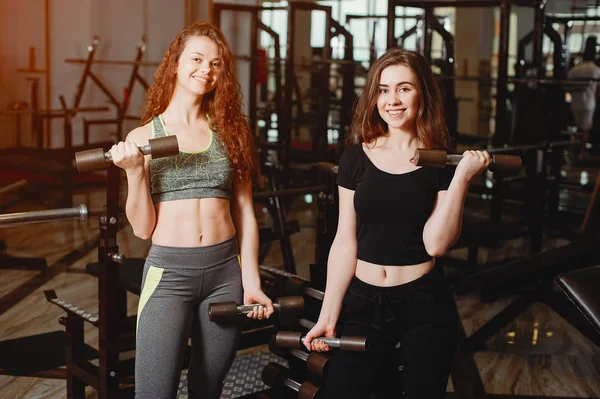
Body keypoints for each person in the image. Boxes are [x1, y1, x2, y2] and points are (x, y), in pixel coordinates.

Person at [303, 48, 490, 398]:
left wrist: (462, 177)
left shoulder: (441, 161)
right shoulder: (355, 158)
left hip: (423, 305)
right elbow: (345, 241)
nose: (392, 100)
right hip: (362, 301)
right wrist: (328, 316)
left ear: (423, 94)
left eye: (404, 88)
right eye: (383, 89)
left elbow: (435, 244)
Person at [108, 21, 274, 399]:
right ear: (176, 65)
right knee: (154, 392)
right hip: (169, 274)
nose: (206, 70)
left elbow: (246, 213)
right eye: (197, 59)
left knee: (208, 387)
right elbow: (142, 229)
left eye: (216, 64)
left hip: (224, 273)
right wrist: (135, 171)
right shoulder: (144, 136)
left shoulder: (232, 132)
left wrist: (252, 282)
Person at [567, 36, 600, 158]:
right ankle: (579, 153)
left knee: (577, 129)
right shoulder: (596, 70)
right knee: (585, 130)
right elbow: (598, 90)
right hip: (589, 104)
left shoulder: (575, 70)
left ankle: (574, 151)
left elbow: (568, 87)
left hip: (575, 103)